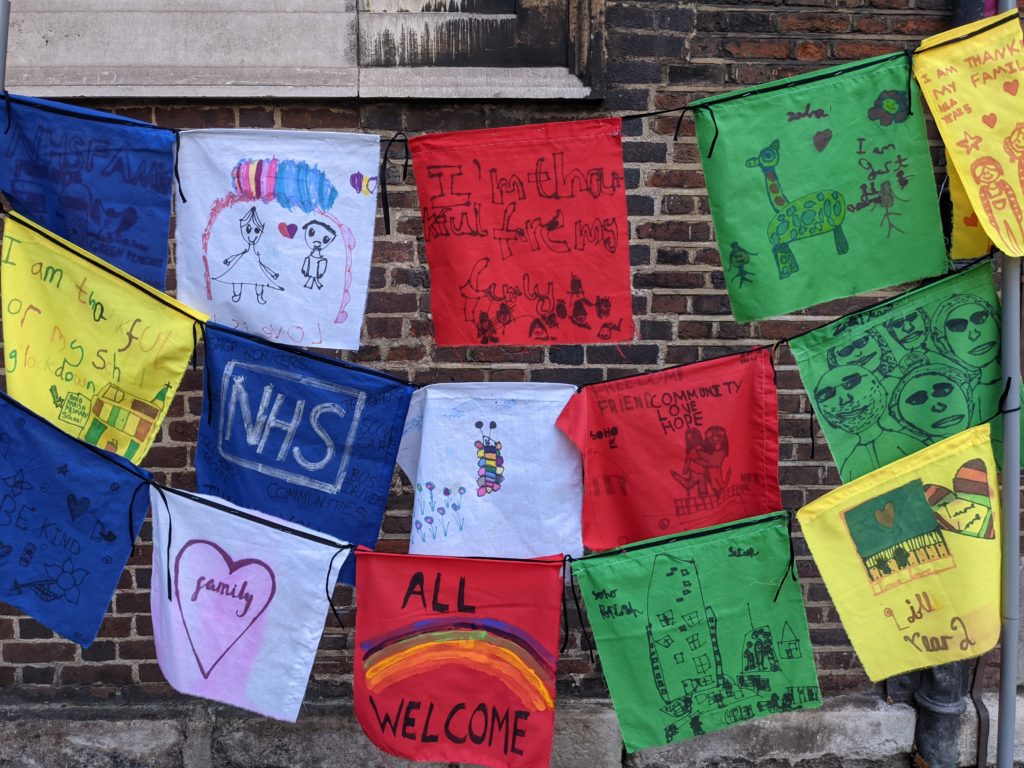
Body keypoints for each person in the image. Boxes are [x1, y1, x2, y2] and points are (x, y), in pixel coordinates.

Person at [213, 207, 283, 304]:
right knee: (237, 278)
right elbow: (238, 256)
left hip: (254, 268)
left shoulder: (257, 253)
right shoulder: (244, 251)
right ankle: (237, 294)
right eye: (248, 229)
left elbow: (261, 266)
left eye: (257, 231)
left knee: (260, 280)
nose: (253, 235)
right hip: (241, 266)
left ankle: (259, 296)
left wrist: (272, 273)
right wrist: (229, 260)